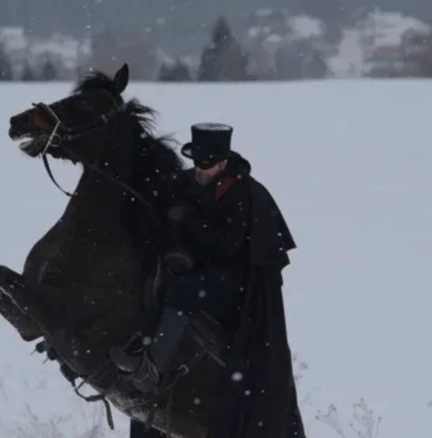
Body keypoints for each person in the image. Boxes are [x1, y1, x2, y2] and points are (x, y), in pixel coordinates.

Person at [110, 122, 306, 437]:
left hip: (237, 282)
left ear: (223, 162)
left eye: (207, 165)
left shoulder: (244, 192)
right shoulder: (189, 183)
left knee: (187, 289)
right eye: (198, 163)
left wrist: (186, 220)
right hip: (198, 269)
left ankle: (154, 365)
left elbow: (225, 246)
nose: (200, 171)